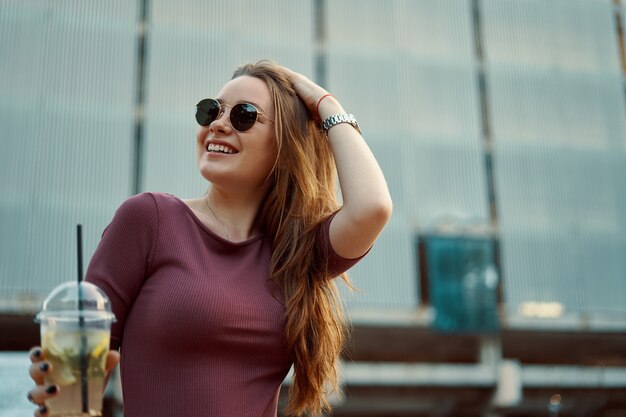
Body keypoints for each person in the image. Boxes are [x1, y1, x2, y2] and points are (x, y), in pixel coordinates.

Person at [27, 60, 392, 417]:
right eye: (210, 111)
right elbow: (76, 378)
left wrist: (325, 104)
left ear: (285, 144)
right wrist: (63, 397)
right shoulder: (149, 220)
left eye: (244, 115)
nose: (218, 124)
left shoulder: (294, 254)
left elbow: (372, 207)